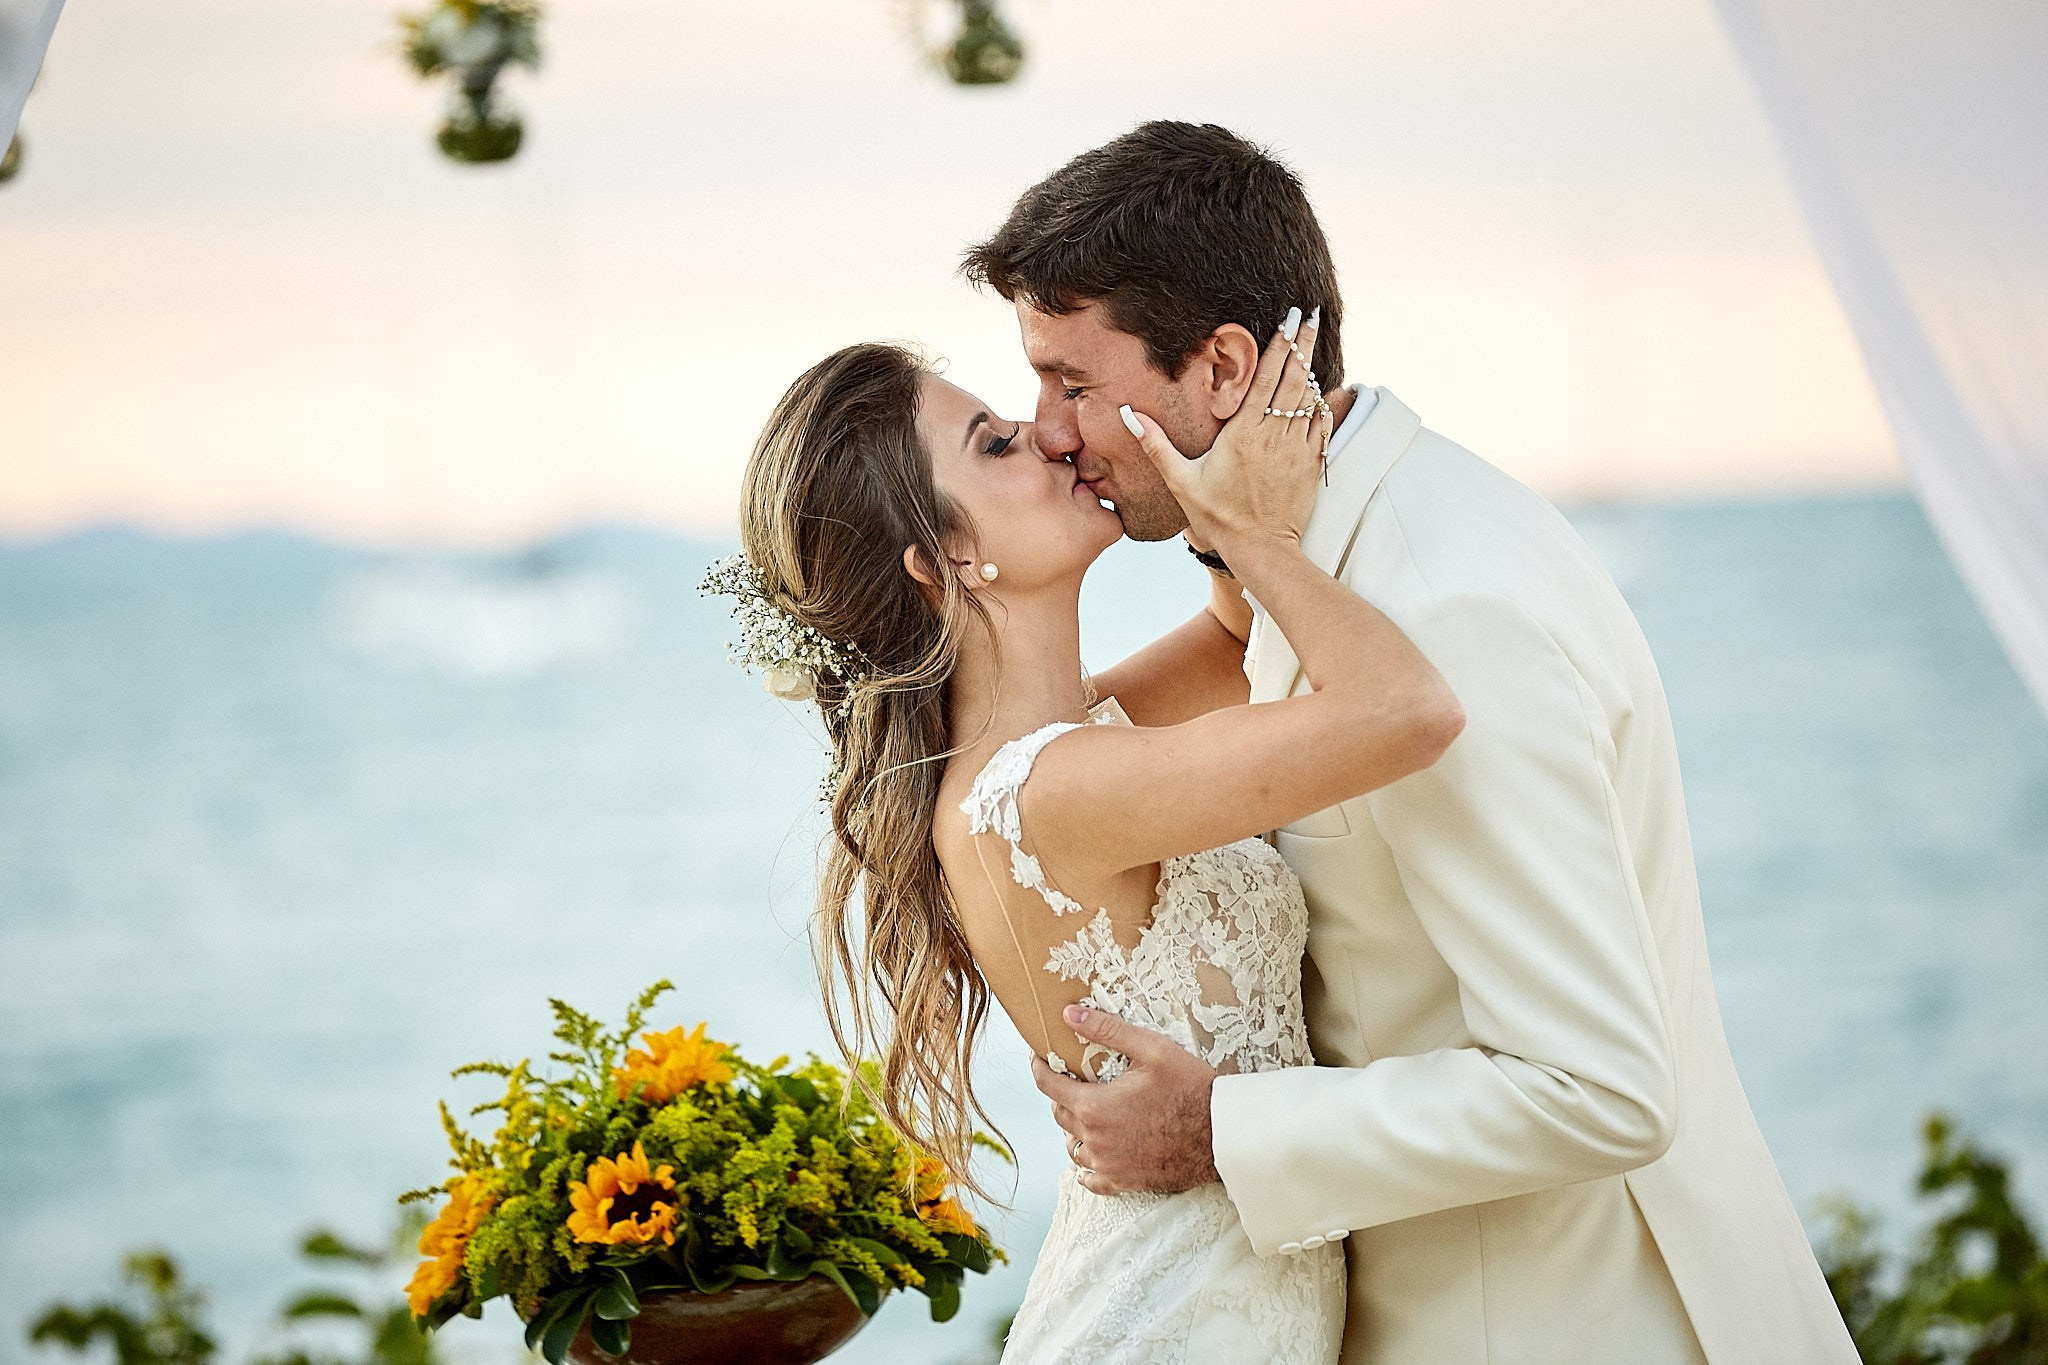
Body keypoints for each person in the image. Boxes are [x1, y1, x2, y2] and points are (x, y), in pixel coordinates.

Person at [965, 120, 1859, 1363]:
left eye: (1070, 383)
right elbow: (1075, 748)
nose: (1052, 429)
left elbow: (1597, 1086)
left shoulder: (1443, 604)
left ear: (1223, 368)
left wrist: (1218, 1127)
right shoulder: (1330, 557)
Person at [714, 310, 1464, 1361]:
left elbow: (1235, 636)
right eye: (992, 444)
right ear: (945, 557)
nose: (1048, 435)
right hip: (1173, 1323)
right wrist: (1251, 534)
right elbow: (1406, 711)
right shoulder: (1049, 792)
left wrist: (1210, 490)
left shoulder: (1065, 749)